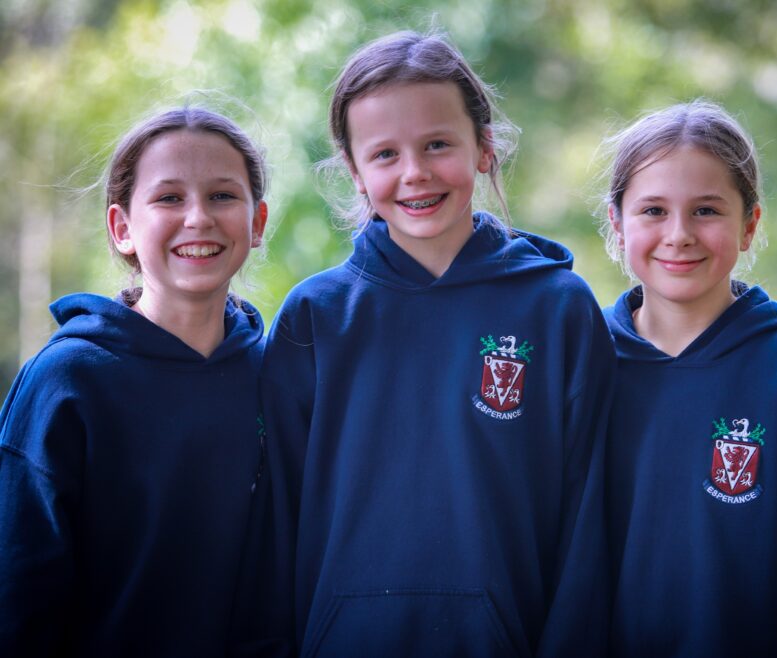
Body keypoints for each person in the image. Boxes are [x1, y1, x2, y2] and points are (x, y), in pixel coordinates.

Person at [258, 29, 614, 657]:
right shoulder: (314, 318)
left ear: (484, 147)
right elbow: (274, 526)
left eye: (437, 144)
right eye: (385, 154)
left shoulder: (558, 309)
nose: (415, 172)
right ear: (355, 172)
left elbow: (589, 522)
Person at [600, 100, 777, 657]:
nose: (679, 234)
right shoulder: (581, 362)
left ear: (749, 225)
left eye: (706, 210)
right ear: (618, 224)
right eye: (653, 210)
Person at [0, 105, 269, 657]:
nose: (198, 218)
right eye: (169, 198)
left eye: (222, 195)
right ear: (122, 228)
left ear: (257, 222)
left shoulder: (280, 373)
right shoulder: (65, 381)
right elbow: (18, 595)